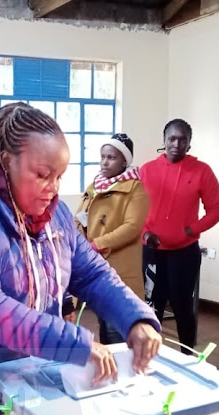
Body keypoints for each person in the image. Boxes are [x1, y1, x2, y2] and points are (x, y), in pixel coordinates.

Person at [0, 104, 162, 402]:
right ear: (6, 162)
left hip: (16, 375)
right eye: (42, 175)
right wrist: (74, 342)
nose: (52, 188)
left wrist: (136, 319)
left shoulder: (57, 217)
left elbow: (93, 274)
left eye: (59, 177)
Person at [140, 119, 219, 353]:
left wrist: (192, 229)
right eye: (172, 139)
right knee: (151, 306)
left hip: (184, 253)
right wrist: (145, 233)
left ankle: (188, 356)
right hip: (153, 251)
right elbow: (136, 210)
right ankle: (150, 355)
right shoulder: (147, 170)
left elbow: (216, 209)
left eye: (182, 139)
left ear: (189, 143)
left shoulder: (201, 171)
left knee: (182, 307)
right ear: (164, 140)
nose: (176, 144)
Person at [75, 133, 149, 344]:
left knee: (118, 330)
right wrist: (77, 242)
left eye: (111, 157)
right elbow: (80, 219)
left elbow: (132, 227)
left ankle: (124, 373)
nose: (105, 162)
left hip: (118, 269)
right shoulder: (95, 186)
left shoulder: (136, 188)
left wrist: (97, 244)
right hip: (94, 265)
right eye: (103, 156)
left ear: (125, 160)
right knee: (104, 326)